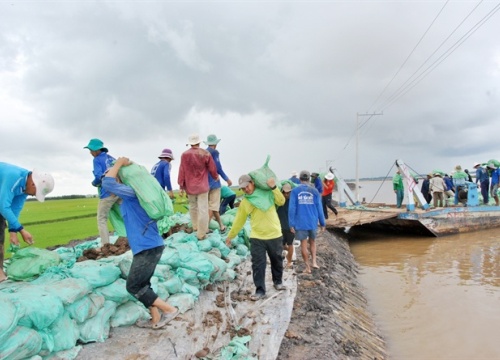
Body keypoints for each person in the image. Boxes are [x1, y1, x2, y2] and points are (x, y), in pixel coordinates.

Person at [102, 157, 179, 329]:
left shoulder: (131, 193)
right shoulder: (128, 198)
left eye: (113, 175)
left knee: (134, 286)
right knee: (144, 284)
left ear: (120, 179)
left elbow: (107, 184)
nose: (107, 178)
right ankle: (155, 319)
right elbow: (106, 185)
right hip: (147, 246)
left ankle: (170, 310)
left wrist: (119, 164)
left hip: (148, 247)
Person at [225, 174, 286, 301]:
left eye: (247, 186)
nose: (246, 190)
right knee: (258, 264)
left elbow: (281, 201)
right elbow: (239, 220)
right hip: (257, 237)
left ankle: (278, 281)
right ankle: (260, 290)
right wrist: (231, 235)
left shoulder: (267, 194)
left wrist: (274, 187)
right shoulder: (246, 202)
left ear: (252, 183)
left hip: (274, 234)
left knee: (277, 260)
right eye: (243, 188)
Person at [0, 162, 54, 283]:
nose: (34, 195)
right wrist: (22, 230)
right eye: (36, 193)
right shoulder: (13, 177)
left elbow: (15, 209)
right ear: (33, 184)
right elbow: (3, 207)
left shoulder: (25, 187)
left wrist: (13, 232)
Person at [178, 134, 219, 240]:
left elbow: (181, 170)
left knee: (193, 207)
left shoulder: (184, 155)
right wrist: (215, 177)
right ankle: (201, 233)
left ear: (190, 143)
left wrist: (181, 185)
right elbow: (212, 168)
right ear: (199, 142)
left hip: (190, 187)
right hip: (202, 186)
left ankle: (195, 227)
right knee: (203, 209)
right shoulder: (205, 154)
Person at [288, 170, 326, 274]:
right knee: (313, 242)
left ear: (299, 179)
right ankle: (314, 262)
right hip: (312, 222)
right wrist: (322, 223)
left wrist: (291, 224)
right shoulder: (314, 191)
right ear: (309, 179)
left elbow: (292, 208)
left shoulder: (295, 191)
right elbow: (320, 208)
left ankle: (307, 267)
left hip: (300, 223)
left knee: (303, 244)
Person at [84, 138, 119, 245]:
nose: (90, 152)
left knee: (101, 219)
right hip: (118, 191)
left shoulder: (97, 160)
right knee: (123, 215)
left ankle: (106, 245)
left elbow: (99, 177)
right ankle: (129, 237)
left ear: (96, 150)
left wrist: (94, 183)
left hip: (107, 193)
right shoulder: (110, 158)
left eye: (91, 150)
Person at [204, 134, 232, 233]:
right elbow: (218, 168)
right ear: (215, 144)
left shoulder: (203, 153)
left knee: (212, 206)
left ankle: (221, 226)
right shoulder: (214, 152)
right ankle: (205, 228)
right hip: (214, 183)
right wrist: (227, 179)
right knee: (213, 206)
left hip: (205, 184)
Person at [276, 183, 294, 269]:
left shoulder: (293, 202)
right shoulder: (278, 202)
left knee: (290, 244)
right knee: (281, 245)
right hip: (280, 228)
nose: (286, 194)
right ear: (282, 192)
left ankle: (289, 262)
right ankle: (287, 251)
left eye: (288, 193)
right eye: (284, 192)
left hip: (290, 228)